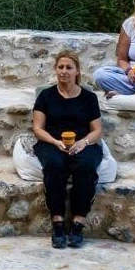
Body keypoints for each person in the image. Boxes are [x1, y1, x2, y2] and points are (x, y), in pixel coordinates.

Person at [33, 51, 104, 249]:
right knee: (55, 165)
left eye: (69, 68)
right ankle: (57, 222)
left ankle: (78, 223)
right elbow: (38, 128)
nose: (64, 71)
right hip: (52, 142)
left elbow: (97, 130)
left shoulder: (89, 98)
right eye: (60, 67)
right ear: (56, 70)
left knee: (86, 166)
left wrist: (84, 142)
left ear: (77, 71)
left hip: (82, 142)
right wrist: (55, 142)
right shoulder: (46, 96)